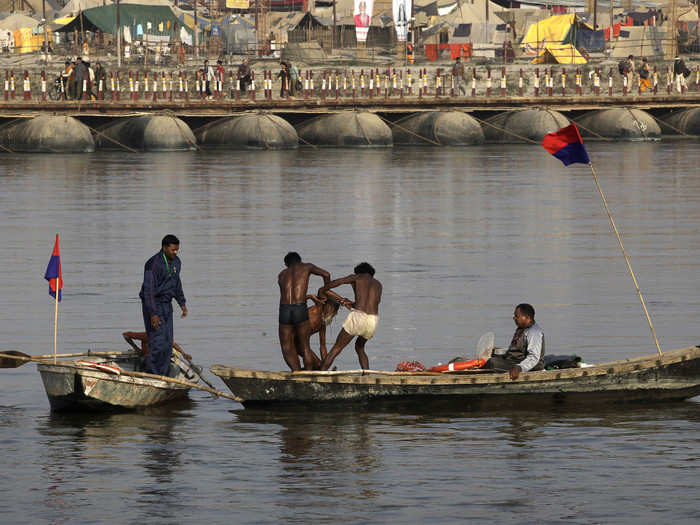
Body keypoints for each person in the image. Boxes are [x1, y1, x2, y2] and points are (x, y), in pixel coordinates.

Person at [318, 262, 382, 371]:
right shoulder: (378, 284)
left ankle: (319, 376)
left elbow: (337, 282)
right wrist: (350, 303)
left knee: (336, 348)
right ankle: (367, 376)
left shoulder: (356, 277)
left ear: (359, 272)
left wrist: (324, 289)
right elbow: (375, 302)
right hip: (373, 320)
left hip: (358, 317)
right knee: (360, 347)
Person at [139, 235, 188, 376]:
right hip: (154, 303)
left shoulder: (177, 262)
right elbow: (148, 291)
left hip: (167, 305)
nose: (175, 253)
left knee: (167, 343)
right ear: (165, 248)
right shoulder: (153, 264)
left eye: (177, 250)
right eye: (173, 250)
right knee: (157, 342)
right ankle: (152, 373)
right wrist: (153, 313)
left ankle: (164, 373)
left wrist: (182, 303)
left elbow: (176, 283)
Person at [278, 252, 331, 371]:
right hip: (300, 308)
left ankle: (296, 372)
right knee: (305, 345)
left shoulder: (281, 274)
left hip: (284, 310)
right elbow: (326, 274)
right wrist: (326, 292)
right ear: (299, 260)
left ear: (286, 264)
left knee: (286, 346)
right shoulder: (307, 267)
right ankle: (308, 372)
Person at [484, 303, 544, 380]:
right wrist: (494, 351)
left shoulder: (534, 332)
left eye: (517, 316)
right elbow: (515, 351)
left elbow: (534, 357)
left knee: (492, 362)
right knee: (490, 357)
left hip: (530, 367)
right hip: (514, 362)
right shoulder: (521, 329)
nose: (514, 318)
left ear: (527, 318)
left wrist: (519, 368)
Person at [122, 331, 192, 361]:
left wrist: (183, 354)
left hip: (160, 362)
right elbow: (125, 335)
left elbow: (173, 344)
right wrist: (136, 348)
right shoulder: (147, 335)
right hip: (148, 361)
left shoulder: (164, 336)